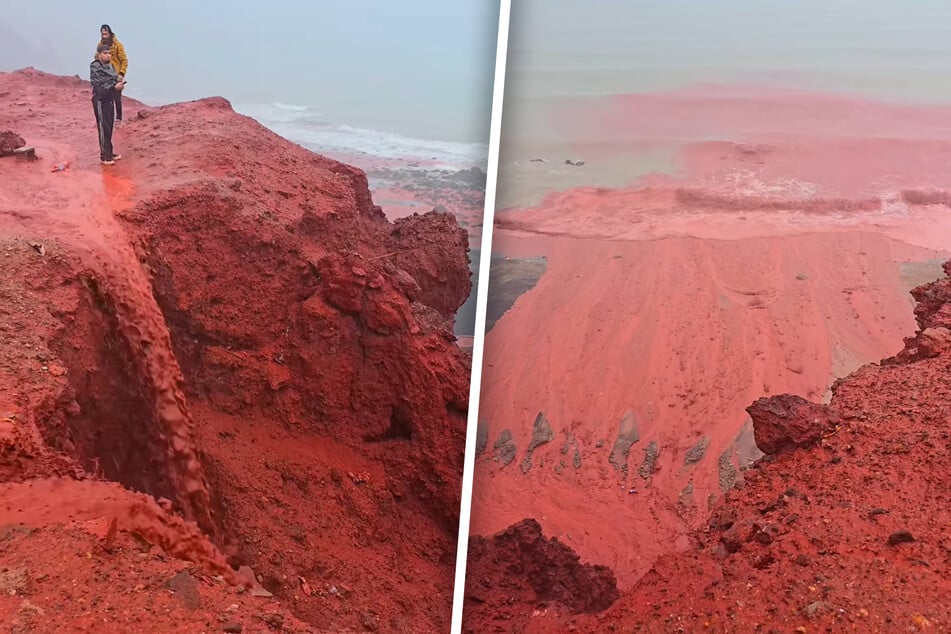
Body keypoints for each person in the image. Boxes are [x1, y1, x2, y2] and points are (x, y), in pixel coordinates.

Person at [90, 45, 126, 165]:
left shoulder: (110, 66)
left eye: (109, 53)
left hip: (110, 99)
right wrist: (113, 87)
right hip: (100, 100)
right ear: (99, 54)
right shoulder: (95, 67)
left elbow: (113, 79)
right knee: (102, 127)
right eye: (105, 53)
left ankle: (109, 152)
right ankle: (104, 155)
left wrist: (118, 84)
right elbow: (99, 85)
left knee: (109, 126)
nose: (108, 55)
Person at [96, 25, 128, 127]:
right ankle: (108, 120)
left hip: (116, 75)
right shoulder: (100, 45)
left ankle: (118, 119)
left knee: (117, 98)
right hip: (105, 75)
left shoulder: (118, 45)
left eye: (106, 34)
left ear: (110, 33)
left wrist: (121, 73)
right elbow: (97, 58)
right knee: (106, 98)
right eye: (102, 34)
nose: (104, 36)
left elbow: (124, 60)